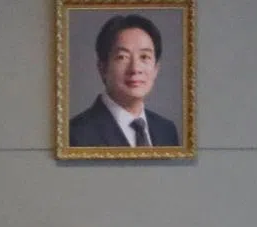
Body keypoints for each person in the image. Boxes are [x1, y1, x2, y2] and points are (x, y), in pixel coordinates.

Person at [69, 14, 180, 147]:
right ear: (102, 68)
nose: (135, 69)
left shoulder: (166, 130)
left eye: (144, 56)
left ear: (156, 68)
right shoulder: (76, 134)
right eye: (122, 57)